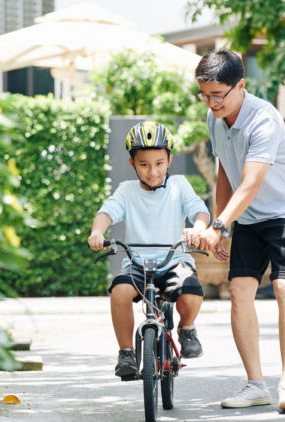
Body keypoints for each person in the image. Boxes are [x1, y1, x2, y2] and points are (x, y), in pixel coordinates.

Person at [194, 49, 285, 410]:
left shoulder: (263, 119)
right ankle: (255, 384)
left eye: (218, 94)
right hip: (249, 215)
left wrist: (218, 225)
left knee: (284, 286)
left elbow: (249, 183)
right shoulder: (214, 118)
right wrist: (223, 221)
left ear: (240, 86)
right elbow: (224, 171)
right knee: (239, 289)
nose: (212, 102)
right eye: (205, 94)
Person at [87, 121, 211, 379]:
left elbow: (198, 209)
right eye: (144, 164)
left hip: (174, 259)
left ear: (169, 159)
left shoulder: (179, 185)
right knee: (120, 291)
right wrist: (98, 232)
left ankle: (187, 329)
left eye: (159, 163)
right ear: (132, 164)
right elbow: (106, 212)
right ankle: (126, 353)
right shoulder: (127, 191)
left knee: (190, 291)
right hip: (137, 262)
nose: (153, 171)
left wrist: (197, 228)